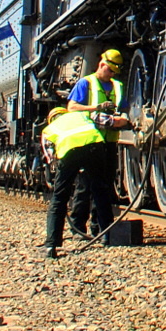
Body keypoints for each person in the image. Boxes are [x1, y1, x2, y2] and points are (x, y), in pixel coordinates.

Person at [66, 50, 130, 238]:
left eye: (114, 72)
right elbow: (72, 107)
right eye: (110, 70)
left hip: (109, 142)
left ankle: (98, 227)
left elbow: (124, 108)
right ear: (102, 65)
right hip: (89, 142)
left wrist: (123, 120)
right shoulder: (86, 83)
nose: (112, 75)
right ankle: (78, 228)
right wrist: (97, 108)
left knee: (104, 186)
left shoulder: (118, 86)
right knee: (85, 185)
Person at [40, 107, 114, 259]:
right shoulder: (81, 115)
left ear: (51, 119)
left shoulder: (49, 129)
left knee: (59, 197)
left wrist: (61, 171)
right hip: (94, 147)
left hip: (69, 152)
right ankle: (107, 235)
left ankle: (51, 246)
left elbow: (50, 156)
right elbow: (107, 121)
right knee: (100, 190)